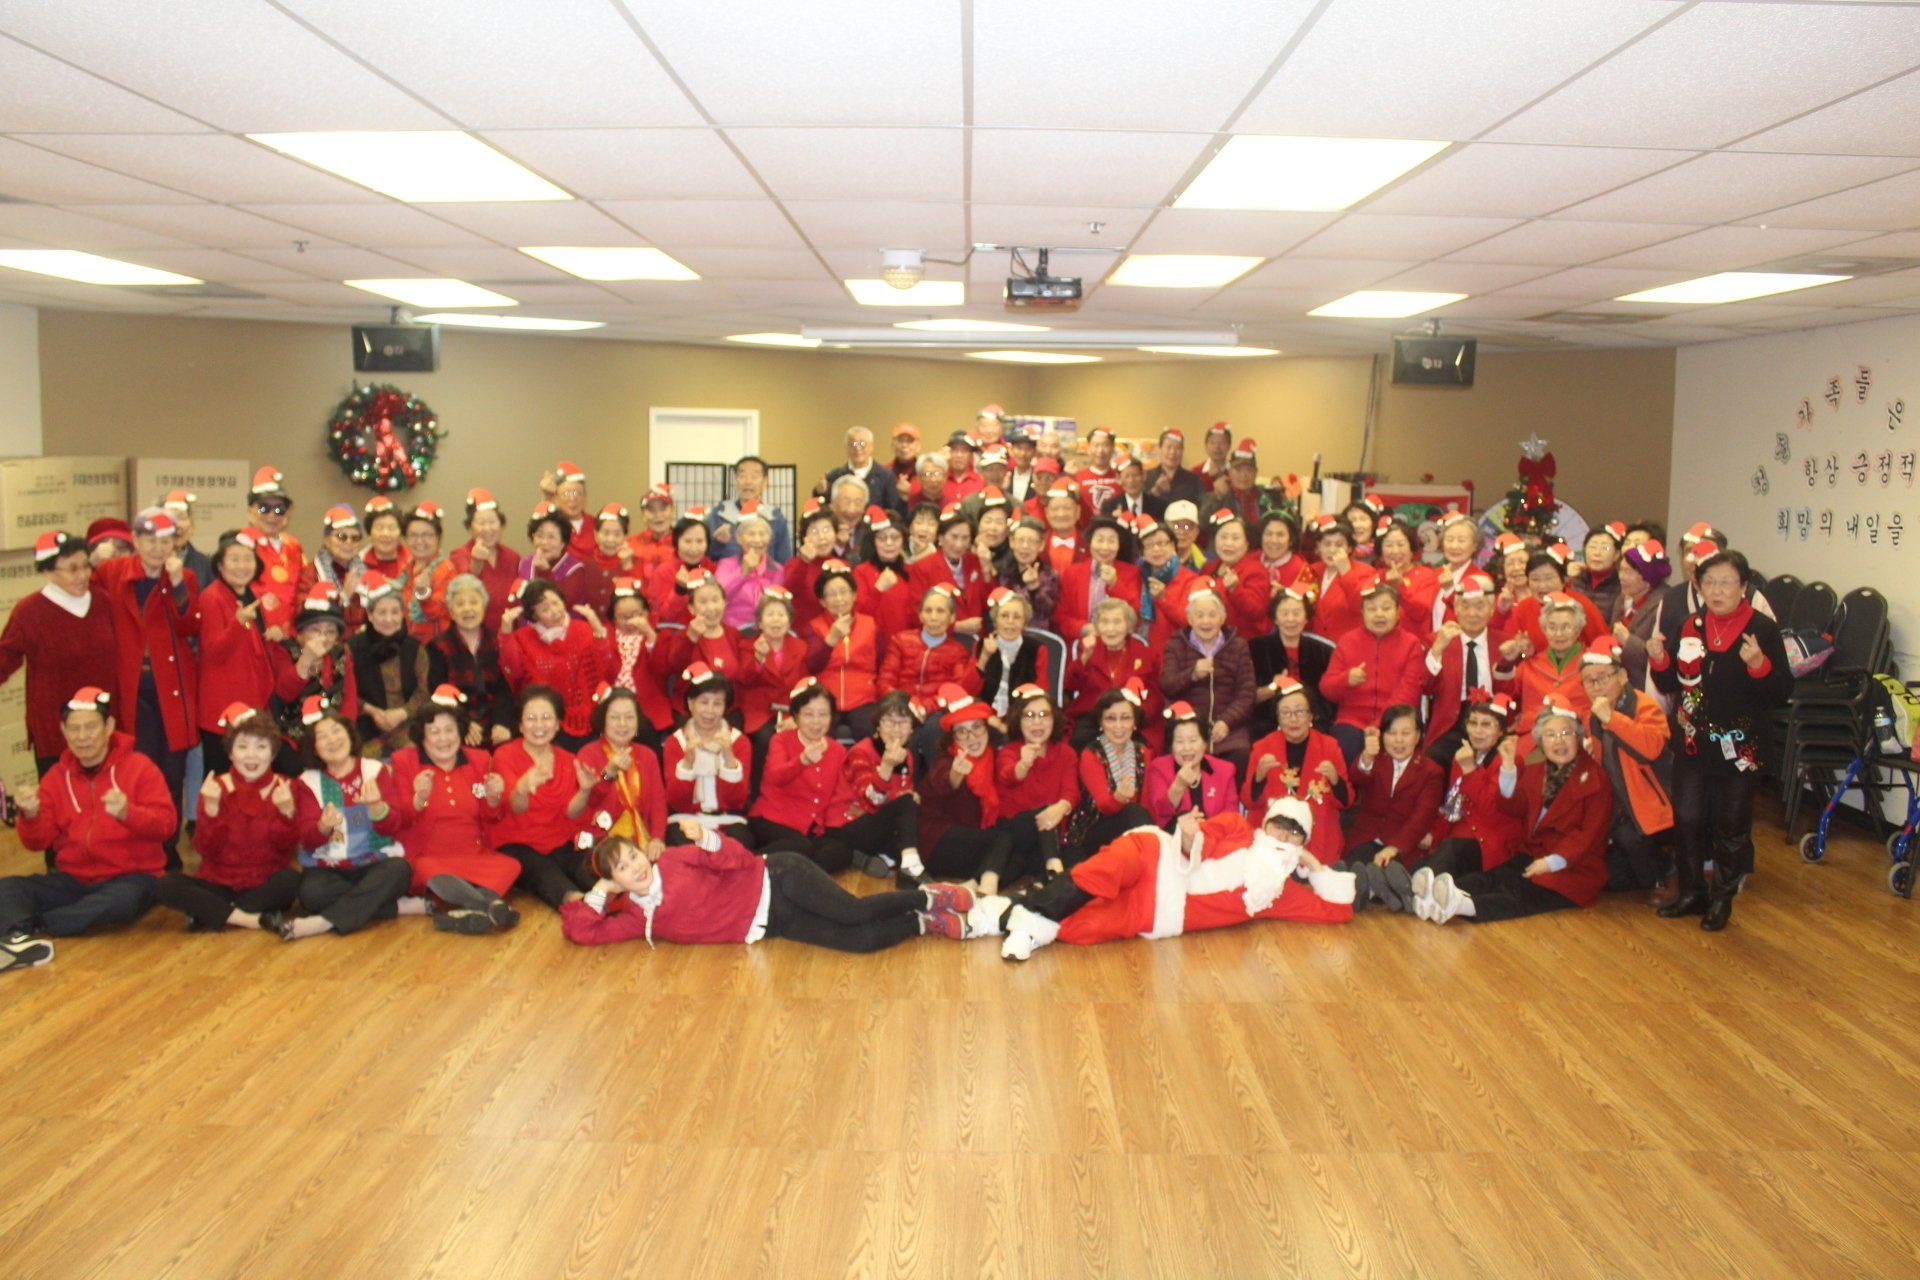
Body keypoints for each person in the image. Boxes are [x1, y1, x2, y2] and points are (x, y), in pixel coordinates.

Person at [991, 802, 1353, 961]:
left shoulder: (1278, 894)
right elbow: (1200, 842)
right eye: (1279, 827)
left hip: (1159, 912)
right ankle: (1029, 923)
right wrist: (1190, 835)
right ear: (1266, 824)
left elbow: (1337, 910)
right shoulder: (1238, 827)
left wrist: (1314, 865)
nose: (1283, 838)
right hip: (1155, 857)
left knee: (1082, 928)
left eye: (1294, 834)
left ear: (1301, 842)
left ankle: (1004, 913)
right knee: (1103, 872)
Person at [1647, 548, 1792, 931]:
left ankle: (1722, 899)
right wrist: (1659, 658)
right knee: (1687, 819)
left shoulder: (1762, 629)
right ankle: (1692, 891)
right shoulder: (1691, 625)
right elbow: (1670, 683)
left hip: (1740, 747)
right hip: (1692, 742)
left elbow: (1782, 693)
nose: (1716, 590)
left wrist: (1759, 664)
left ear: (1743, 587)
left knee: (1731, 825)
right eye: (1709, 582)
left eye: (1726, 582)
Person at [561, 822, 975, 949]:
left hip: (777, 877)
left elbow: (738, 859)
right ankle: (923, 922)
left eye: (633, 855)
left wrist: (707, 839)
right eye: (621, 869)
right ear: (615, 881)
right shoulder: (638, 918)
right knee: (860, 942)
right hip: (771, 923)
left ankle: (929, 896)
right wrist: (599, 893)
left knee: (853, 912)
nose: (635, 867)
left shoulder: (672, 858)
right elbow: (582, 931)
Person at [1, 688, 170, 972]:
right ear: (63, 732)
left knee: (121, 901)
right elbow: (37, 842)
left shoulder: (140, 768)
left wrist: (128, 813)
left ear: (109, 727)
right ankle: (17, 939)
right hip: (74, 879)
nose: (82, 737)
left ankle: (33, 927)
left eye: (90, 727)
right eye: (74, 728)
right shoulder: (56, 777)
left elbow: (166, 825)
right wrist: (29, 816)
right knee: (7, 888)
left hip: (131, 878)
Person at [1415, 703, 1613, 926]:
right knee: (1493, 877)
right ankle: (1435, 895)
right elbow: (1514, 807)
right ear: (1541, 742)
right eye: (1551, 735)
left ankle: (1463, 906)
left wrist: (1551, 863)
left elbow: (1588, 835)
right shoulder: (1537, 771)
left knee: (1520, 891)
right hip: (1533, 853)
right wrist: (1508, 769)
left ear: (1578, 738)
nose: (1559, 741)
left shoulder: (1595, 778)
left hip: (1573, 867)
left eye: (1566, 733)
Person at [94, 507, 199, 866]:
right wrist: (92, 558)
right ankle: (139, 851)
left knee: (172, 773)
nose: (157, 548)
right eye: (150, 540)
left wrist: (178, 584)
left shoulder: (182, 576)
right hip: (132, 691)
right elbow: (85, 596)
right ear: (136, 541)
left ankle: (167, 849)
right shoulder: (112, 572)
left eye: (165, 541)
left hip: (173, 691)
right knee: (137, 770)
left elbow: (190, 625)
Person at [278, 703, 425, 942]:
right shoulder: (307, 781)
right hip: (329, 866)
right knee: (310, 894)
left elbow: (392, 826)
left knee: (399, 870)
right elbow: (307, 839)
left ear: (349, 735)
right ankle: (394, 907)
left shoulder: (375, 770)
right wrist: (323, 826)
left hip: (374, 863)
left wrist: (376, 806)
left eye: (336, 731)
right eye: (322, 737)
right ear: (314, 748)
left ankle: (322, 922)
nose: (332, 740)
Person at [154, 703, 302, 932]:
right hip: (218, 883)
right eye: (242, 746)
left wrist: (287, 814)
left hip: (264, 883)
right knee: (166, 884)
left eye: (261, 747)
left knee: (291, 881)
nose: (251, 755)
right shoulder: (215, 787)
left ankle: (213, 913)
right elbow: (205, 849)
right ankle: (249, 918)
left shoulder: (286, 787)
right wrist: (211, 810)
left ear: (273, 753)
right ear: (231, 753)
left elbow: (285, 848)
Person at [384, 688, 522, 934]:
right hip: (428, 855)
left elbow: (492, 817)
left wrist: (493, 800)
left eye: (450, 730)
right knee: (429, 872)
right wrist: (419, 798)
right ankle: (489, 906)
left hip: (474, 854)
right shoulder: (404, 761)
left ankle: (458, 914)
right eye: (434, 732)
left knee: (512, 866)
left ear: (460, 731)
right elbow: (400, 819)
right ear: (422, 736)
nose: (443, 739)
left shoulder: (479, 759)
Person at [0, 531, 120, 777]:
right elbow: (4, 659)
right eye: (72, 569)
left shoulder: (103, 601)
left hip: (104, 730)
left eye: (86, 566)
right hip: (57, 736)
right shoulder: (29, 612)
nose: (83, 575)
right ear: (47, 572)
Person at [1577, 639, 1674, 895]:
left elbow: (1651, 749)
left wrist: (1612, 719)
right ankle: (1648, 872)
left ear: (1621, 676)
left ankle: (1665, 874)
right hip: (1619, 804)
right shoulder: (1593, 715)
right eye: (1589, 681)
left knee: (1627, 837)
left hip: (1654, 804)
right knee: (1607, 879)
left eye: (1603, 678)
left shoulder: (1644, 706)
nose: (1596, 686)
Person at [489, 685, 592, 908]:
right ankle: (580, 909)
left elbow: (572, 813)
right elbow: (516, 808)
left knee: (588, 872)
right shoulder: (505, 755)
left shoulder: (568, 759)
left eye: (546, 718)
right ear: (520, 725)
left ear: (557, 724)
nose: (539, 725)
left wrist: (584, 790)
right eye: (531, 718)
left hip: (558, 840)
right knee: (549, 876)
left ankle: (616, 904)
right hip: (517, 843)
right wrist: (522, 787)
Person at [1339, 704, 1445, 911]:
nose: (1398, 740)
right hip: (1367, 835)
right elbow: (1356, 779)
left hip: (1402, 842)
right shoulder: (1375, 759)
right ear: (1382, 736)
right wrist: (1366, 757)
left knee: (1391, 869)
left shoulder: (1431, 771)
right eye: (1392, 733)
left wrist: (1394, 847)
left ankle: (1372, 890)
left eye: (1405, 733)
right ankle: (1367, 888)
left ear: (1418, 736)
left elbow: (1421, 818)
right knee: (1356, 863)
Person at [191, 532, 276, 776]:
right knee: (222, 778)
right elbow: (214, 652)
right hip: (223, 709)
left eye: (247, 559)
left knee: (250, 776)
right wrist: (238, 624)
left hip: (250, 704)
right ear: (220, 565)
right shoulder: (212, 597)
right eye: (234, 559)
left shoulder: (249, 595)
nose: (242, 566)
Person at [914, 684, 1014, 888]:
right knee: (1002, 840)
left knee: (1017, 858)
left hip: (972, 839)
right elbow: (937, 786)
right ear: (953, 738)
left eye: (977, 727)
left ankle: (972, 887)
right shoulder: (946, 761)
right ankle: (986, 892)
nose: (972, 737)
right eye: (962, 731)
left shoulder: (993, 757)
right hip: (938, 841)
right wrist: (955, 776)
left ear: (987, 729)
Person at [1417, 692, 1525, 881]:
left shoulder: (1508, 760)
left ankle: (1413, 888)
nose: (1477, 731)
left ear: (1501, 731)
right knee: (1421, 859)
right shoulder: (1462, 757)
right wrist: (1434, 834)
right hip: (1457, 839)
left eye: (1486, 724)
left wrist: (1469, 770)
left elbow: (1490, 809)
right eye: (1473, 723)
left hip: (1487, 841)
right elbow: (1452, 804)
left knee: (1448, 854)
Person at [1243, 678, 1350, 867]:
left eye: (1299, 712)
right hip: (1273, 834)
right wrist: (1259, 777)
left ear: (1311, 716)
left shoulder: (1329, 747)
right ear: (1278, 718)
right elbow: (1249, 802)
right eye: (1286, 713)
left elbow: (1345, 802)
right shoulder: (1262, 748)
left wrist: (1335, 779)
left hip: (1317, 834)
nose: (1293, 719)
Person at [746, 680, 852, 870]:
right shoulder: (781, 740)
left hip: (810, 828)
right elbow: (774, 777)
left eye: (823, 714)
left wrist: (829, 827)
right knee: (799, 846)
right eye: (809, 714)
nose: (816, 722)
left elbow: (840, 796)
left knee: (841, 852)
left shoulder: (838, 750)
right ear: (796, 716)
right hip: (772, 818)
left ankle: (789, 870)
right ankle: (745, 867)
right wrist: (802, 760)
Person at [1319, 581, 1425, 763]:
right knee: (1342, 749)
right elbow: (1326, 688)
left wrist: (1380, 724)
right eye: (1372, 609)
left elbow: (1409, 692)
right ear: (1362, 612)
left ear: (1397, 612)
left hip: (1395, 720)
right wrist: (1346, 680)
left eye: (1386, 608)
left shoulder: (1411, 644)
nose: (1379, 614)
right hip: (1352, 721)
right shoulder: (1347, 641)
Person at [499, 577, 610, 748]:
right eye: (545, 609)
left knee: (596, 762)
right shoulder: (522, 638)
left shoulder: (583, 629)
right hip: (546, 724)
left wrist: (597, 628)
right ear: (534, 615)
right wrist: (506, 633)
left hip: (590, 717)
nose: (555, 611)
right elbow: (514, 671)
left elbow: (604, 664)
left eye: (556, 603)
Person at [827, 690, 922, 880]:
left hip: (874, 821)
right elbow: (873, 800)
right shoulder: (861, 752)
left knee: (916, 839)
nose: (896, 728)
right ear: (878, 725)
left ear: (912, 729)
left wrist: (910, 794)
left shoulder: (907, 755)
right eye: (889, 721)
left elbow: (899, 792)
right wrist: (886, 766)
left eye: (903, 722)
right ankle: (910, 869)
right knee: (907, 805)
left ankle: (875, 857)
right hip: (847, 822)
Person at [1161, 581, 1256, 768]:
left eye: (1212, 615)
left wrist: (1226, 721)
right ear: (1190, 619)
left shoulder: (1238, 646)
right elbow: (1167, 686)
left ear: (1222, 618)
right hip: (1188, 727)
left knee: (1241, 755)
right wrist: (1192, 674)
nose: (1206, 621)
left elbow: (1247, 694)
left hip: (1229, 728)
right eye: (1200, 615)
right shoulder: (1175, 645)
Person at [992, 686, 1080, 888]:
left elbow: (1071, 791)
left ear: (1054, 720)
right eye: (1029, 716)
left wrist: (1062, 806)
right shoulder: (1009, 751)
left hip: (1049, 837)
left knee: (1078, 858)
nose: (1037, 722)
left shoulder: (1066, 753)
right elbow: (1008, 775)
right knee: (1044, 814)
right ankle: (1053, 871)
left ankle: (1041, 886)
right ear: (1019, 721)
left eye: (1044, 715)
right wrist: (1023, 764)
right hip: (1015, 834)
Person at [348, 571, 439, 757]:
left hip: (406, 722)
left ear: (402, 614)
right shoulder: (352, 647)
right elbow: (345, 690)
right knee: (364, 763)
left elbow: (424, 690)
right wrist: (372, 711)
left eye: (395, 612)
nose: (389, 619)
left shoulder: (415, 648)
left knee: (415, 758)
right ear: (370, 615)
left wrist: (402, 713)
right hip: (366, 722)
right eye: (382, 612)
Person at [662, 664, 754, 845]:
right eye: (704, 702)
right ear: (691, 704)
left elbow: (737, 801)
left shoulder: (738, 741)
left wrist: (729, 760)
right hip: (686, 820)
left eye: (717, 704)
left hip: (728, 820)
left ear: (725, 707)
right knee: (679, 841)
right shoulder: (676, 742)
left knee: (741, 840)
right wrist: (688, 764)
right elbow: (676, 802)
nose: (710, 711)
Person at [572, 685, 667, 860]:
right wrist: (608, 773)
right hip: (601, 843)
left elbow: (658, 803)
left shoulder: (647, 755)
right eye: (615, 717)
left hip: (642, 837)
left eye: (629, 717)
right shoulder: (588, 754)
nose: (623, 724)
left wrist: (657, 838)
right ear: (603, 720)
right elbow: (588, 802)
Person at [1417, 571, 1501, 763]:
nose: (1472, 614)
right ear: (1455, 609)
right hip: (1452, 722)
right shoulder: (1438, 640)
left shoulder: (1503, 643)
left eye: (1480, 606)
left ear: (1491, 609)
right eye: (1465, 606)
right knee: (1432, 762)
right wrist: (1438, 649)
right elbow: (1425, 687)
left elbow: (1511, 691)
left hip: (1493, 721)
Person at [429, 574, 516, 748]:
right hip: (456, 723)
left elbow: (505, 688)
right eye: (460, 604)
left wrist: (502, 723)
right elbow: (437, 693)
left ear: (484, 607)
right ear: (451, 612)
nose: (467, 609)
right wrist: (463, 723)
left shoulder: (497, 641)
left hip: (496, 722)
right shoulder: (437, 647)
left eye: (474, 602)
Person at [1071, 683, 1155, 859]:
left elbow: (1146, 802)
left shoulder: (1143, 751)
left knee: (1137, 813)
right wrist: (1119, 797)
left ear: (1134, 723)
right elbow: (1104, 806)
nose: (1118, 726)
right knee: (1133, 812)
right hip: (1094, 828)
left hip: (1134, 824)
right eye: (1111, 718)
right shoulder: (1090, 754)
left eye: (1125, 718)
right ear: (1101, 723)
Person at [1499, 591, 1589, 751]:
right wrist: (1507, 661)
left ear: (1578, 629)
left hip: (1577, 743)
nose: (1559, 634)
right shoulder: (1530, 664)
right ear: (1544, 630)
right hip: (1532, 743)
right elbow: (1505, 697)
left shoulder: (1592, 665)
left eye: (1566, 627)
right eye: (1552, 627)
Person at [1063, 598, 1155, 745]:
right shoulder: (1089, 648)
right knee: (1079, 742)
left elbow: (1154, 697)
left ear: (1128, 626)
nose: (1110, 628)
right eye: (1104, 622)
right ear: (1097, 626)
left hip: (1130, 720)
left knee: (1140, 746)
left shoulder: (1144, 653)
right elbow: (1070, 686)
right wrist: (1084, 659)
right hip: (1092, 717)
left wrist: (1136, 715)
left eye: (1117, 622)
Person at [270, 584, 358, 735]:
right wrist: (306, 660)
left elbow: (349, 701)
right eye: (315, 630)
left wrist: (345, 732)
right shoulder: (284, 650)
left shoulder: (341, 653)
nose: (323, 637)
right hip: (295, 731)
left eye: (330, 632)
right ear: (300, 634)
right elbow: (284, 694)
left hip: (334, 730)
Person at [806, 559, 880, 738]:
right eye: (831, 594)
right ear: (822, 601)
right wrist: (830, 639)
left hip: (863, 698)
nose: (839, 599)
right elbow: (811, 665)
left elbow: (881, 661)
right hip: (825, 699)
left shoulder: (870, 624)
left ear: (854, 595)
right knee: (819, 734)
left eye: (844, 592)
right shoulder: (814, 627)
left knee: (870, 731)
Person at [736, 589, 809, 767]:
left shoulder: (800, 647)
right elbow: (744, 679)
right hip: (759, 710)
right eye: (770, 615)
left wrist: (797, 717)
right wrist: (759, 658)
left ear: (789, 621)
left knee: (799, 737)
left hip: (790, 709)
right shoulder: (747, 646)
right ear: (760, 623)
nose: (776, 619)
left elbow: (805, 686)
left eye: (781, 615)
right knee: (766, 739)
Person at [1249, 587, 1335, 737]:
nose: (1290, 619)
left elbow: (1328, 700)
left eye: (1296, 613)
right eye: (1284, 613)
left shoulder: (1323, 651)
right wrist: (1271, 689)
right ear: (1275, 618)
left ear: (1306, 618)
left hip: (1313, 721)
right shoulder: (1255, 648)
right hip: (1267, 721)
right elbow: (1247, 699)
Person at [431, 488, 520, 631]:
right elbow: (464, 588)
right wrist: (476, 562)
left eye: (492, 522)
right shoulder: (460, 554)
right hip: (476, 633)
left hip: (510, 632)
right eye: (481, 523)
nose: (488, 528)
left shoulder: (513, 557)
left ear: (501, 524)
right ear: (470, 527)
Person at [654, 571, 741, 717]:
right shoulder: (684, 635)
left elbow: (744, 678)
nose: (711, 608)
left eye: (715, 600)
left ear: (724, 603)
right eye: (703, 602)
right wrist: (691, 638)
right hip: (689, 709)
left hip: (727, 709)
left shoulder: (734, 635)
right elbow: (674, 666)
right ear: (692, 608)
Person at [879, 583, 978, 710]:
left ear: (952, 617)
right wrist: (902, 705)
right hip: (898, 707)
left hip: (935, 711)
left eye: (940, 611)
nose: (933, 617)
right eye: (928, 611)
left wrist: (925, 708)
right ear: (920, 615)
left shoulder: (958, 652)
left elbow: (956, 689)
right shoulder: (900, 641)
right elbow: (885, 681)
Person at [1145, 703, 1238, 829]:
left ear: (1205, 743)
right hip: (1172, 836)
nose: (1186, 748)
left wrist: (1205, 828)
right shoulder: (1158, 768)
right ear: (1171, 745)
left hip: (1214, 836)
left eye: (1193, 741)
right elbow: (1159, 813)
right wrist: (1178, 786)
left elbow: (1231, 818)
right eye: (1179, 742)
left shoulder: (1225, 770)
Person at [1053, 515, 1141, 645]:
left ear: (1119, 545)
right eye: (1099, 540)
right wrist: (1085, 628)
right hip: (1081, 644)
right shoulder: (1072, 573)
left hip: (1119, 643)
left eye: (1111, 541)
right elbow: (1061, 616)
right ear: (1090, 542)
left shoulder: (1131, 573)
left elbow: (1135, 614)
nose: (1105, 547)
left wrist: (1115, 584)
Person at [907, 507, 991, 635]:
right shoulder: (923, 567)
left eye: (965, 538)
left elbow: (989, 603)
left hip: (977, 636)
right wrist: (956, 626)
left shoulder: (975, 561)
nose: (959, 544)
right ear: (940, 537)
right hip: (941, 637)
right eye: (954, 537)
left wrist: (986, 569)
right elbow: (916, 613)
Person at [244, 466, 307, 639]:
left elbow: (303, 588)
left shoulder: (294, 546)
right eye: (264, 508)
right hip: (255, 635)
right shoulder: (242, 545)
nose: (272, 515)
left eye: (279, 509)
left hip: (292, 637)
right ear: (249, 512)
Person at [1508, 551, 1609, 654]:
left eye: (1549, 578)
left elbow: (1605, 645)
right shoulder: (1524, 608)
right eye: (1535, 579)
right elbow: (1522, 649)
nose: (1542, 586)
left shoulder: (1582, 605)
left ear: (1563, 580)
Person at [975, 588, 1048, 725]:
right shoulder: (981, 645)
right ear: (995, 621)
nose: (1010, 621)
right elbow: (969, 692)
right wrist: (984, 657)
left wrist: (1013, 722)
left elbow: (1039, 693)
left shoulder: (1037, 649)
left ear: (1024, 623)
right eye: (1004, 616)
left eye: (1017, 617)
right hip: (985, 718)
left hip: (1022, 718)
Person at [1610, 538, 1671, 697]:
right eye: (1621, 570)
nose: (1621, 577)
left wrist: (1628, 641)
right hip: (1620, 684)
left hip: (1645, 689)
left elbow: (1661, 657)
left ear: (1647, 578)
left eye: (1628, 572)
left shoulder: (1664, 605)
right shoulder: (1621, 600)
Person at [708, 455, 792, 564]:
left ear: (765, 482)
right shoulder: (719, 513)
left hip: (766, 574)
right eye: (742, 476)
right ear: (735, 480)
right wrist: (717, 543)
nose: (748, 481)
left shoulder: (775, 517)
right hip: (726, 573)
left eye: (754, 476)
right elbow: (704, 557)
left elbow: (784, 559)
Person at [716, 501, 785, 627]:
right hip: (734, 630)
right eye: (751, 534)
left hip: (766, 630)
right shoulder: (726, 565)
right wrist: (743, 572)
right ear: (739, 538)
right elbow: (718, 596)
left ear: (769, 538)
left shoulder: (777, 569)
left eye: (762, 534)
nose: (757, 540)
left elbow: (779, 605)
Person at [1203, 513, 1271, 638]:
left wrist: (1235, 589)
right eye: (1223, 537)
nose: (1228, 543)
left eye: (1235, 538)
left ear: (1247, 543)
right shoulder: (1208, 568)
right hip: (1209, 640)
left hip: (1243, 642)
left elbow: (1257, 612)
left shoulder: (1256, 571)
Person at [854, 507, 918, 637]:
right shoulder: (861, 572)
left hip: (906, 642)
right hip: (872, 641)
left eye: (895, 537)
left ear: (903, 540)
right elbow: (858, 614)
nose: (889, 543)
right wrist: (878, 590)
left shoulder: (912, 571)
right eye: (882, 538)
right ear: (873, 541)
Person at [644, 511, 714, 626]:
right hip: (675, 633)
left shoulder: (713, 569)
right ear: (676, 542)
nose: (694, 548)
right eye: (687, 541)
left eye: (700, 541)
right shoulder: (663, 571)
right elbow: (662, 617)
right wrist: (679, 591)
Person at [825, 425, 903, 516]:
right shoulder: (835, 476)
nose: (857, 448)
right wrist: (821, 491)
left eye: (862, 443)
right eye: (853, 444)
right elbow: (827, 509)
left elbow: (894, 511)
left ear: (871, 447)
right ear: (845, 448)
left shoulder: (886, 475)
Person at [401, 501, 449, 640]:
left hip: (436, 644)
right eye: (413, 535)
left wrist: (423, 594)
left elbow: (438, 613)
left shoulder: (446, 569)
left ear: (438, 538)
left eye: (427, 535)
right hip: (409, 643)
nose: (419, 541)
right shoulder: (405, 570)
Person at [534, 459, 598, 561]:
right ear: (556, 498)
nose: (572, 499)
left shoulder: (597, 525)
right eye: (566, 494)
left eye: (577, 493)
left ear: (585, 496)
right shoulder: (553, 526)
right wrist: (547, 496)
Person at [159, 489, 215, 596]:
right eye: (170, 518)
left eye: (181, 517)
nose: (177, 525)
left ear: (191, 525)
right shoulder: (149, 561)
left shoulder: (205, 564)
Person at [1574, 522, 1628, 619]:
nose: (1597, 553)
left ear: (1616, 554)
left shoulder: (1623, 585)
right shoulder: (1574, 580)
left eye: (1605, 548)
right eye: (1592, 547)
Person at [626, 483, 678, 581]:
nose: (658, 515)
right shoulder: (630, 544)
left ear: (673, 511)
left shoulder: (683, 543)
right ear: (643, 515)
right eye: (651, 510)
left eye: (663, 509)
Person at [1146, 428, 1205, 510]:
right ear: (1159, 449)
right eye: (1168, 447)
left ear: (1182, 451)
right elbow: (1140, 507)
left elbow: (1201, 509)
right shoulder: (1146, 476)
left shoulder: (1193, 480)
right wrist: (1155, 491)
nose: (1172, 452)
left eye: (1177, 448)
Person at [360, 496, 412, 581]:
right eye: (379, 528)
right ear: (369, 532)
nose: (386, 534)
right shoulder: (358, 563)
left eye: (391, 528)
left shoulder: (415, 561)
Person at [1074, 427, 1122, 519]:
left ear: (1112, 448)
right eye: (1096, 445)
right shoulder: (1077, 477)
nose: (1100, 450)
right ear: (1088, 448)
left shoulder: (1121, 477)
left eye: (1105, 445)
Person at [889, 422, 921, 491]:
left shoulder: (924, 471)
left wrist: (912, 491)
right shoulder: (885, 471)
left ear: (918, 446)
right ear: (892, 445)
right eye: (900, 440)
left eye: (910, 441)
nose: (904, 445)